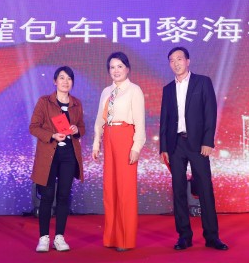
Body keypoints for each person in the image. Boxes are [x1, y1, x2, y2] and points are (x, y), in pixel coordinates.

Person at [159, 47, 228, 251]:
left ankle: (212, 236)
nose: (176, 63)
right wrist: (164, 147)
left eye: (179, 59)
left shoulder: (202, 82)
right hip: (175, 145)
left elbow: (210, 113)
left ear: (188, 61)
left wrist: (208, 141)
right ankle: (184, 236)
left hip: (198, 144)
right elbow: (165, 120)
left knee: (205, 189)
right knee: (178, 190)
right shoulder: (167, 89)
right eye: (172, 60)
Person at [92, 51, 146, 252]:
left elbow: (140, 122)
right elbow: (100, 119)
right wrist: (96, 143)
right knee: (110, 189)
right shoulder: (106, 91)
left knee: (125, 190)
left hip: (125, 137)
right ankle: (111, 237)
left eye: (119, 66)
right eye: (112, 67)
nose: (116, 71)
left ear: (127, 68)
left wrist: (136, 147)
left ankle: (125, 239)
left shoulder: (134, 90)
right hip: (109, 138)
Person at [29, 66, 85, 253]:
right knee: (47, 196)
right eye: (62, 78)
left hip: (69, 155)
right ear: (55, 81)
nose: (65, 81)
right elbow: (34, 127)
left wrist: (76, 130)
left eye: (69, 78)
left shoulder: (76, 104)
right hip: (49, 155)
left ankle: (59, 237)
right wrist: (52, 135)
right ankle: (44, 237)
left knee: (63, 196)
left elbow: (82, 128)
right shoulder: (44, 101)